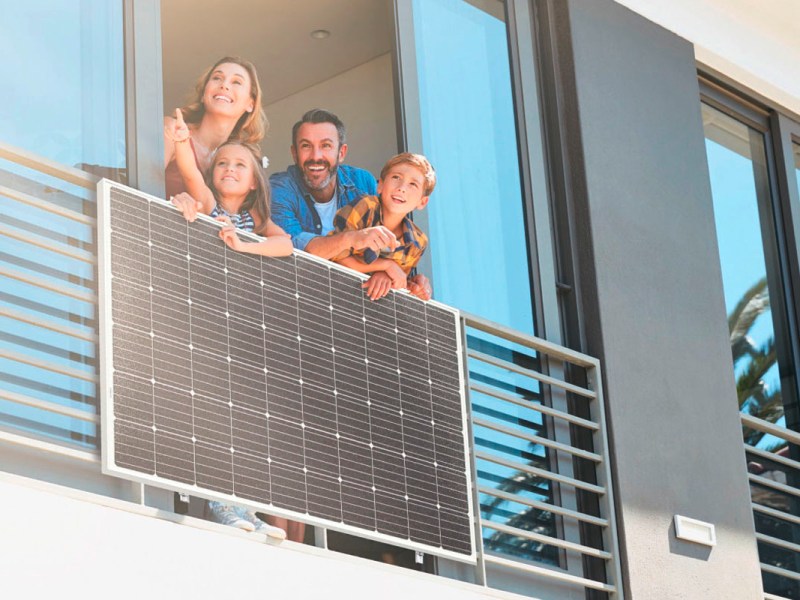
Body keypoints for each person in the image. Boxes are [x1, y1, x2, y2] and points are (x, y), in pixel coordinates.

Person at [164, 116, 291, 540]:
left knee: (246, 421)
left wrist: (246, 248)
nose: (230, 169)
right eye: (223, 164)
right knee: (216, 415)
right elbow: (189, 173)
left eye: (240, 165)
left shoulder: (256, 225)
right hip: (205, 322)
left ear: (254, 181)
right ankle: (221, 504)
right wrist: (183, 141)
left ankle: (249, 509)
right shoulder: (208, 205)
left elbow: (286, 244)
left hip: (239, 332)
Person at [270, 109, 432, 301]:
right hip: (301, 294)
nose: (316, 156)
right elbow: (291, 249)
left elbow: (388, 251)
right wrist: (352, 239)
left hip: (355, 301)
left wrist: (406, 279)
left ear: (342, 152)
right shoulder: (279, 188)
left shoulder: (362, 182)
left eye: (326, 146)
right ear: (294, 154)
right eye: (306, 146)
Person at [331, 152, 435, 301]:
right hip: (336, 287)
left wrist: (387, 274)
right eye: (396, 178)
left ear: (422, 202)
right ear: (380, 185)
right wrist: (386, 266)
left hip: (367, 302)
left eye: (413, 184)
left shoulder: (417, 242)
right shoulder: (365, 207)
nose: (401, 188)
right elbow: (336, 257)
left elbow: (398, 279)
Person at [164, 56, 266, 199]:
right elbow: (139, 187)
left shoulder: (239, 163)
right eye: (217, 78)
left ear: (250, 104)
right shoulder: (173, 130)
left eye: (236, 82)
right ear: (204, 93)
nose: (224, 85)